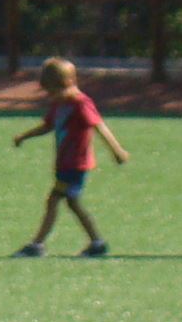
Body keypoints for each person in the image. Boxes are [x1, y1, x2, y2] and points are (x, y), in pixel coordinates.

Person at [9, 57, 129, 257]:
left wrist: (117, 150)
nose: (51, 96)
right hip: (64, 164)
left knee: (54, 200)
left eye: (54, 91)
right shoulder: (59, 104)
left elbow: (99, 125)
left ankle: (37, 245)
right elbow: (47, 126)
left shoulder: (81, 103)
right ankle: (97, 243)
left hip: (76, 165)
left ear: (69, 83)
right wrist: (24, 136)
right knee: (71, 203)